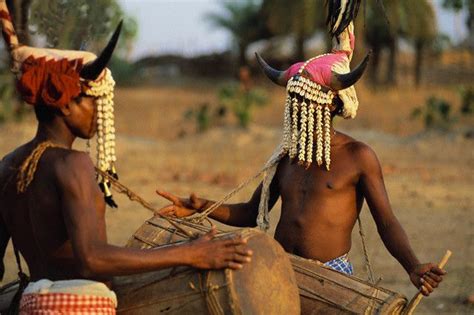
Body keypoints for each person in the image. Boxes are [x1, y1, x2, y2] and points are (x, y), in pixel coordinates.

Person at [156, 0, 445, 297]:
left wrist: (412, 266)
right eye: (293, 102)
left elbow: (386, 221)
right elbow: (251, 213)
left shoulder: (359, 156)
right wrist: (202, 206)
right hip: (280, 269)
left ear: (333, 103)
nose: (296, 111)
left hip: (330, 278)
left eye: (304, 102)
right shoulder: (287, 156)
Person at [0, 2, 252, 313]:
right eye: (93, 101)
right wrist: (191, 254)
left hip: (31, 305)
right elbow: (92, 259)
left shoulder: (8, 166)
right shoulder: (72, 164)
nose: (99, 112)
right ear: (65, 104)